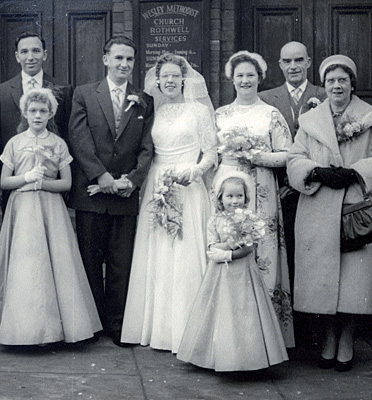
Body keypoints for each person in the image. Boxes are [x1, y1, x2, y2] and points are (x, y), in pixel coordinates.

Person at [287, 55, 372, 372]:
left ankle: (346, 339)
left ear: (352, 84)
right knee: (322, 280)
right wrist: (316, 171)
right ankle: (328, 338)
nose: (337, 86)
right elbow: (295, 159)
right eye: (331, 81)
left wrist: (357, 173)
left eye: (343, 80)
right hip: (319, 208)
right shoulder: (310, 122)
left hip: (355, 210)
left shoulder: (370, 119)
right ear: (325, 85)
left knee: (352, 283)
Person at [0, 89, 102, 345]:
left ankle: (53, 329)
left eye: (43, 111)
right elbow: (4, 181)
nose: (37, 115)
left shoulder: (58, 143)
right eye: (32, 111)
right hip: (22, 209)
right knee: (27, 266)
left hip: (50, 210)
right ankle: (24, 328)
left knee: (54, 264)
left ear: (51, 114)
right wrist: (26, 178)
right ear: (25, 112)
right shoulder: (15, 143)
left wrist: (42, 183)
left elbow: (66, 183)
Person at [120, 53, 217, 352]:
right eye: (166, 77)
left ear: (185, 79)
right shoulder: (152, 112)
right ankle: (157, 329)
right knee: (158, 253)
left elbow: (211, 152)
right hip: (157, 184)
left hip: (188, 184)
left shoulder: (199, 111)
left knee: (185, 252)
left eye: (176, 76)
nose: (171, 81)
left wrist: (195, 170)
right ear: (157, 81)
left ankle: (187, 330)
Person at [68, 35, 154, 346]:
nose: (123, 64)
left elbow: (147, 147)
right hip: (92, 191)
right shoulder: (84, 94)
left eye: (129, 59)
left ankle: (117, 325)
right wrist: (101, 176)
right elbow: (78, 139)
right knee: (90, 261)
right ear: (106, 59)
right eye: (118, 58)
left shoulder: (144, 99)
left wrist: (132, 180)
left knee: (121, 261)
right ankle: (91, 323)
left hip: (125, 195)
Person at [212, 50, 295, 347]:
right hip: (228, 189)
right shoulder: (220, 114)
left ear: (260, 78)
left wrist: (258, 156)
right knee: (229, 251)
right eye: (239, 76)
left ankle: (265, 338)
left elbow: (290, 155)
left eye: (250, 75)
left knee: (262, 255)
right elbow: (211, 154)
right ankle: (230, 336)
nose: (245, 80)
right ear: (231, 80)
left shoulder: (271, 114)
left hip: (261, 191)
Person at [177, 172, 288, 371]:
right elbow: (211, 247)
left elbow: (250, 247)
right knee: (221, 311)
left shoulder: (250, 219)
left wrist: (229, 252)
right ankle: (219, 356)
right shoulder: (214, 221)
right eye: (229, 196)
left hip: (244, 273)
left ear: (246, 197)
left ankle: (248, 358)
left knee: (245, 311)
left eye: (239, 196)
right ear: (220, 198)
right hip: (220, 276)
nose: (235, 201)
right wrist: (228, 246)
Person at [258, 42, 327, 309]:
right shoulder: (266, 98)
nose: (293, 66)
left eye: (299, 60)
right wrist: (283, 182)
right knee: (283, 255)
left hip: (315, 190)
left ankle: (312, 322)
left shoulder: (323, 94)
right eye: (287, 61)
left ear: (309, 62)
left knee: (312, 256)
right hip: (279, 190)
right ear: (280, 65)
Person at [0, 31, 73, 212]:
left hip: (50, 181)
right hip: (14, 178)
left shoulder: (63, 90)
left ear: (45, 54)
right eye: (24, 52)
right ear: (17, 56)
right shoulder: (1, 91)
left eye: (36, 51)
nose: (31, 57)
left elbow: (67, 134)